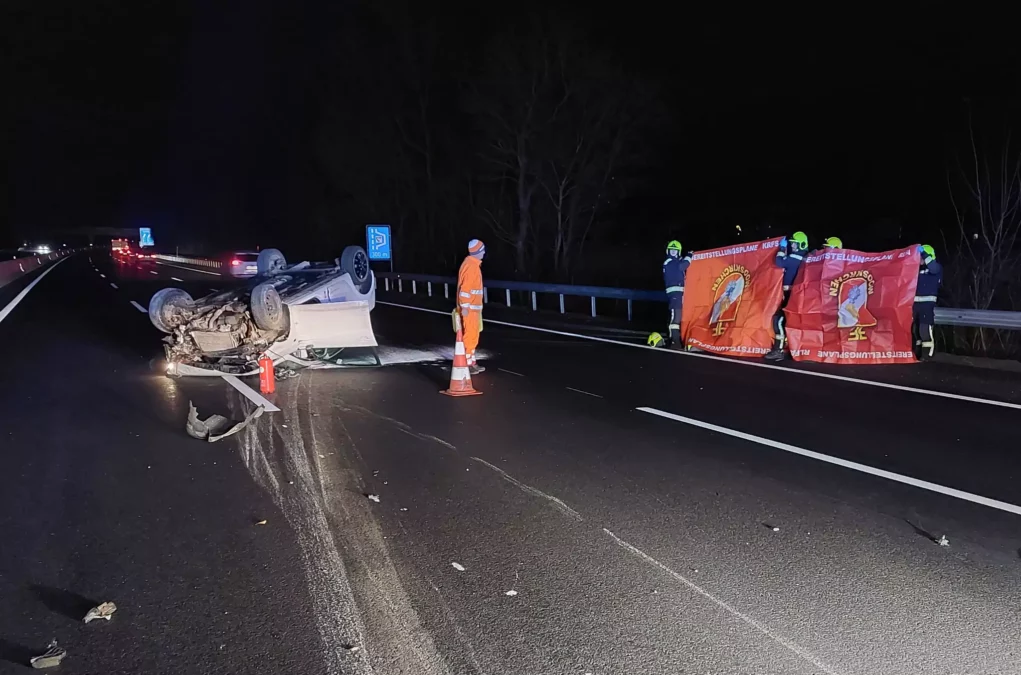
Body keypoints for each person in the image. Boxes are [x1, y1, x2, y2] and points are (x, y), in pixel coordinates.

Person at [765, 231, 809, 361]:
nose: (792, 247)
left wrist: (782, 248)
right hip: (796, 294)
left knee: (778, 320)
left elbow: (779, 262)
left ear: (801, 245)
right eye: (791, 244)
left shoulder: (795, 258)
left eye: (795, 244)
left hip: (791, 294)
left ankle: (778, 350)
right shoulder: (804, 258)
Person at [457, 239, 486, 374]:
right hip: (470, 309)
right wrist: (465, 307)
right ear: (477, 252)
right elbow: (465, 290)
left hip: (473, 309)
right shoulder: (471, 266)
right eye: (482, 250)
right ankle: (467, 363)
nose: (484, 252)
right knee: (469, 335)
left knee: (473, 335)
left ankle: (471, 361)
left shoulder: (472, 265)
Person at [913, 244, 942, 360]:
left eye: (921, 257)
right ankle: (917, 354)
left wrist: (924, 253)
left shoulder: (936, 268)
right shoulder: (917, 269)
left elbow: (934, 269)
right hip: (915, 304)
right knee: (915, 330)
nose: (919, 259)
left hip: (927, 304)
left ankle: (927, 356)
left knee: (924, 329)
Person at [662, 240, 692, 347]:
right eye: (672, 250)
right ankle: (674, 341)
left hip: (679, 294)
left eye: (676, 250)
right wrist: (689, 256)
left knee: (678, 317)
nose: (673, 252)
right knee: (676, 318)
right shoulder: (669, 262)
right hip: (675, 295)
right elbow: (683, 266)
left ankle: (676, 339)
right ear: (668, 251)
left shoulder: (675, 262)